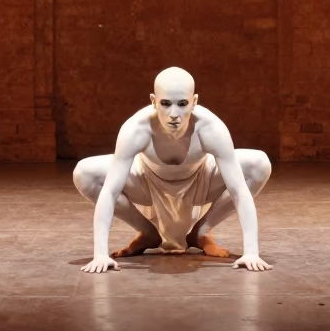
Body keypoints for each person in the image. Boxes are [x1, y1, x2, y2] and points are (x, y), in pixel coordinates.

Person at [72, 66, 272, 273]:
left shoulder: (211, 128)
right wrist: (100, 255)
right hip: (146, 181)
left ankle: (201, 231)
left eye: (182, 104)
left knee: (259, 164)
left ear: (194, 102)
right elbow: (111, 191)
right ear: (153, 101)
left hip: (201, 180)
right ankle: (147, 233)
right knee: (84, 173)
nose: (174, 114)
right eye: (165, 104)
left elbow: (238, 189)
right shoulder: (136, 129)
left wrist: (251, 252)